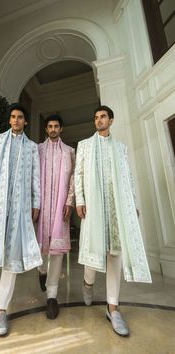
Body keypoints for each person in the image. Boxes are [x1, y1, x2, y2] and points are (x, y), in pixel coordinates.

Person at [74, 105, 151, 336]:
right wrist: (80, 199)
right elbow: (77, 174)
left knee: (114, 254)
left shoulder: (120, 148)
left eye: (103, 117)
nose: (99, 120)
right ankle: (88, 283)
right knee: (93, 252)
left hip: (116, 206)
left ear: (111, 120)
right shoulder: (85, 145)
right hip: (94, 206)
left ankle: (113, 307)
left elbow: (127, 176)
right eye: (96, 117)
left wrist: (132, 203)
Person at [0, 103, 42, 336]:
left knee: (11, 260)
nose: (15, 120)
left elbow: (35, 178)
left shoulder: (32, 148)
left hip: (19, 209)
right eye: (12, 117)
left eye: (20, 117)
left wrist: (35, 203)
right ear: (9, 120)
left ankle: (0, 309)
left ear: (25, 121)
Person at [37, 114, 75, 319]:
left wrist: (70, 201)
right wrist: (33, 204)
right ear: (46, 129)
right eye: (50, 126)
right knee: (40, 246)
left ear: (61, 129)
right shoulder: (37, 150)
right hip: (41, 207)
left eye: (56, 126)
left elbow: (73, 179)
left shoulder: (69, 152)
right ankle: (41, 270)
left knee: (57, 251)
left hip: (61, 208)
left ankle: (52, 296)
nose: (53, 129)